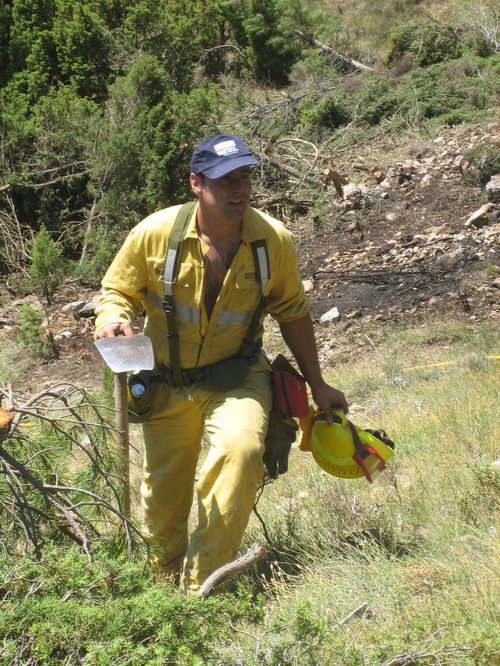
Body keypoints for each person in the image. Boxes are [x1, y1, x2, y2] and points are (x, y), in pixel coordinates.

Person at [94, 134, 348, 593]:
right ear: (196, 183)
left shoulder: (273, 241)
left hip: (238, 376)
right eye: (225, 180)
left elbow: (292, 313)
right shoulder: (154, 233)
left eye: (245, 177)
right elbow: (117, 292)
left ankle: (201, 590)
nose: (239, 189)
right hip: (167, 384)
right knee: (162, 505)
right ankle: (160, 590)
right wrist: (113, 319)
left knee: (241, 451)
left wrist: (319, 385)